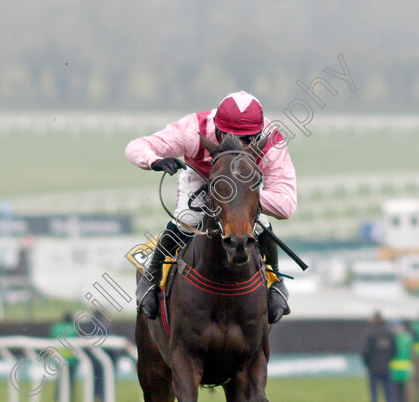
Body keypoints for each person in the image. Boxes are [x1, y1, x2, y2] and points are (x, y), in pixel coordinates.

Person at [125, 91, 297, 323]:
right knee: (188, 220)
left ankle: (276, 283)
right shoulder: (192, 128)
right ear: (216, 129)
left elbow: (286, 205)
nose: (240, 146)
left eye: (248, 140)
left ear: (259, 134)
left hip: (245, 187)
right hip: (201, 178)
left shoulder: (272, 142)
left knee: (258, 224)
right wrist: (153, 160)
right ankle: (151, 277)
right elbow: (136, 147)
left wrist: (240, 200)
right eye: (231, 137)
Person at [362, 311, 397, 402]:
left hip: (374, 368)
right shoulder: (389, 333)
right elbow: (394, 350)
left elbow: (365, 352)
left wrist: (369, 364)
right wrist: (388, 361)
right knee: (389, 393)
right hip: (386, 367)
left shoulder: (370, 333)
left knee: (374, 394)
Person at [389, 320, 414, 402]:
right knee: (403, 393)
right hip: (405, 369)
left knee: (396, 394)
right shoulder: (408, 338)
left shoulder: (394, 338)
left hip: (395, 370)